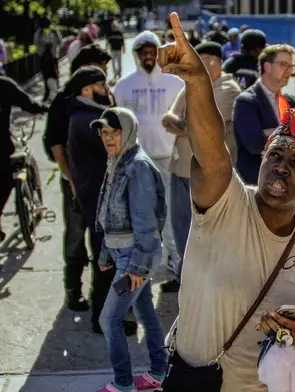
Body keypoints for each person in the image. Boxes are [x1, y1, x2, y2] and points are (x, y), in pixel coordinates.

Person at [157, 13, 295, 390]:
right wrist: (196, 80)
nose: (281, 168)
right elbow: (212, 154)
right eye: (276, 156)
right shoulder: (226, 205)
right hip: (199, 382)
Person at [93, 107, 167, 392]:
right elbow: (108, 216)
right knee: (145, 311)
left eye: (115, 132)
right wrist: (104, 253)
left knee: (109, 319)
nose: (109, 138)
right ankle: (159, 373)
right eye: (104, 133)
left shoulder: (138, 167)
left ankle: (123, 383)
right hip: (122, 255)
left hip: (135, 258)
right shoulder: (117, 161)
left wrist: (137, 268)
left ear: (129, 131)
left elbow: (147, 224)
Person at [159, 42, 242, 293]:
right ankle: (185, 275)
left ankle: (211, 282)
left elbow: (207, 125)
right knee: (181, 226)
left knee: (211, 230)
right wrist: (191, 126)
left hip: (210, 174)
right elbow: (169, 118)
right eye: (200, 59)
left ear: (219, 61)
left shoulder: (228, 89)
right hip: (180, 167)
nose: (203, 64)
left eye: (208, 59)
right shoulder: (191, 84)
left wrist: (188, 125)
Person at [66, 66, 138, 335]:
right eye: (102, 85)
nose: (107, 90)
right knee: (107, 261)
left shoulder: (80, 114)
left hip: (97, 198)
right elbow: (124, 148)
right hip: (101, 201)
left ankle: (108, 314)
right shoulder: (89, 119)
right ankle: (103, 318)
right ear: (88, 89)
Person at [43, 45, 112, 311]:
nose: (104, 75)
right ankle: (73, 291)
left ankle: (101, 296)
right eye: (100, 67)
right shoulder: (63, 102)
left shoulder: (100, 98)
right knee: (75, 237)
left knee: (101, 240)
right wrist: (72, 180)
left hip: (96, 182)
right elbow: (55, 144)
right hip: (73, 179)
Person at [113, 30, 185, 273]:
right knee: (141, 214)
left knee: (169, 211)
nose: (148, 57)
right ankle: (144, 265)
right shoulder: (124, 86)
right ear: (136, 55)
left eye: (152, 52)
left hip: (167, 155)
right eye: (143, 52)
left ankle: (174, 261)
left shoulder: (174, 83)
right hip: (137, 158)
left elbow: (184, 116)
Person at [233, 44, 295, 186]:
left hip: (288, 183)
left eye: (291, 67)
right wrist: (290, 132)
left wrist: (271, 132)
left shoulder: (293, 101)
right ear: (267, 66)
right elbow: (254, 145)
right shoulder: (246, 101)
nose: (289, 72)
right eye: (284, 65)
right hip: (257, 183)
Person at [0, 77, 49, 242]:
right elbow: (28, 104)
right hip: (2, 148)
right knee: (7, 178)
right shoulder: (4, 84)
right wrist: (44, 108)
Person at [34, 17, 62, 102]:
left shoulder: (54, 31)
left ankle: (56, 92)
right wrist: (44, 43)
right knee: (45, 75)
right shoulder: (39, 32)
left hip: (53, 56)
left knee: (55, 74)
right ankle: (47, 92)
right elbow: (36, 41)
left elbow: (60, 41)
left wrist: (52, 43)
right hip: (43, 57)